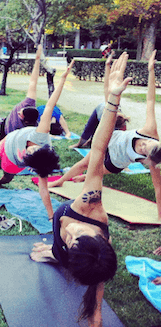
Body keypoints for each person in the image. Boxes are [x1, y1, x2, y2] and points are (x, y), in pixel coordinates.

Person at [29, 54, 131, 326]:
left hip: (67, 254)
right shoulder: (90, 205)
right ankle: (53, 252)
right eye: (75, 239)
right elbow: (98, 148)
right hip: (65, 250)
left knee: (54, 255)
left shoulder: (91, 259)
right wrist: (113, 99)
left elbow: (96, 293)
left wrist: (95, 318)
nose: (72, 233)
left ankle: (55, 254)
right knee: (48, 252)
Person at [50, 51, 161, 221]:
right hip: (108, 141)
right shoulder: (150, 131)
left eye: (144, 149)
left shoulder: (153, 164)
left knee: (94, 174)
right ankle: (61, 181)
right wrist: (151, 70)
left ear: (147, 159)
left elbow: (158, 190)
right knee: (83, 163)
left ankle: (82, 177)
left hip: (114, 162)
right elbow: (151, 101)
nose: (144, 143)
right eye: (148, 143)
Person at [0, 60, 74, 219]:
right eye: (32, 149)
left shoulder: (38, 165)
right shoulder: (41, 135)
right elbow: (51, 104)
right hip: (6, 142)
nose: (29, 149)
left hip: (12, 158)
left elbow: (43, 189)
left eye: (29, 153)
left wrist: (51, 215)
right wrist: (63, 78)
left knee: (6, 179)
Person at [0, 45, 44, 150]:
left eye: (20, 114)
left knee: (3, 145)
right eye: (21, 111)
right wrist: (37, 60)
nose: (18, 112)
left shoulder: (25, 132)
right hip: (6, 123)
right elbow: (33, 81)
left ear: (24, 120)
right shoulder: (29, 102)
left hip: (9, 134)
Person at [69, 50, 129, 149]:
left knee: (101, 139)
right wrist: (107, 65)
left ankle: (89, 141)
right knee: (90, 128)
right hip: (99, 110)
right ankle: (80, 144)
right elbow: (106, 88)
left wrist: (107, 65)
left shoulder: (121, 128)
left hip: (107, 116)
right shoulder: (108, 108)